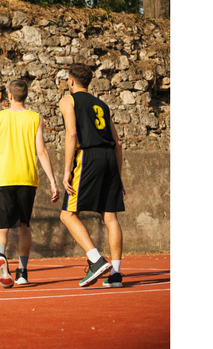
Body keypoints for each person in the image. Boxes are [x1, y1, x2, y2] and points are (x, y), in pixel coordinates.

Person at [57, 64, 127, 288]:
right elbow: (117, 143)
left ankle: (96, 260)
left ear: (71, 81)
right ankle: (115, 273)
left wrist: (67, 169)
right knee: (110, 217)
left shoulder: (69, 100)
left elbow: (72, 134)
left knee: (67, 215)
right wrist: (119, 175)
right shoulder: (102, 105)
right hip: (109, 158)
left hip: (89, 156)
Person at [0, 80, 59, 288]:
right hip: (28, 178)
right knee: (24, 226)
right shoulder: (36, 118)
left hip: (4, 178)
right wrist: (53, 181)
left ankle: (0, 255)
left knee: (2, 226)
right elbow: (42, 151)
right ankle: (22, 272)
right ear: (26, 96)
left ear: (9, 96)